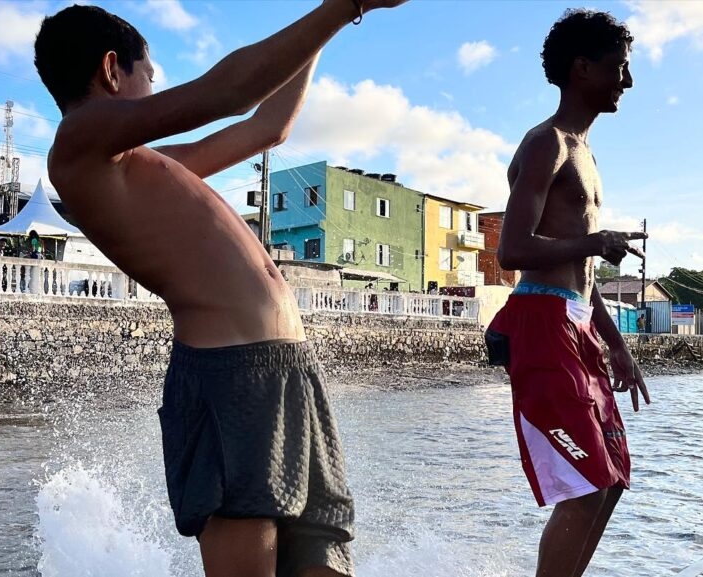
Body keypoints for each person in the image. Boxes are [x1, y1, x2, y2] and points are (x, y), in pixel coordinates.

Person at [33, 2, 405, 576]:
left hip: (290, 369)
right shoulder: (78, 144)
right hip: (230, 372)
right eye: (149, 76)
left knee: (324, 560)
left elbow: (265, 127)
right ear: (112, 70)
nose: (156, 87)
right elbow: (226, 94)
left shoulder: (145, 165)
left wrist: (332, 24)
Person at [486, 10, 651, 577]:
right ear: (582, 68)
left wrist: (618, 344)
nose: (625, 82)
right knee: (583, 487)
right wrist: (594, 239)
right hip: (540, 322)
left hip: (576, 325)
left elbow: (581, 266)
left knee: (610, 480)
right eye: (618, 68)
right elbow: (511, 250)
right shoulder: (545, 143)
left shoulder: (586, 152)